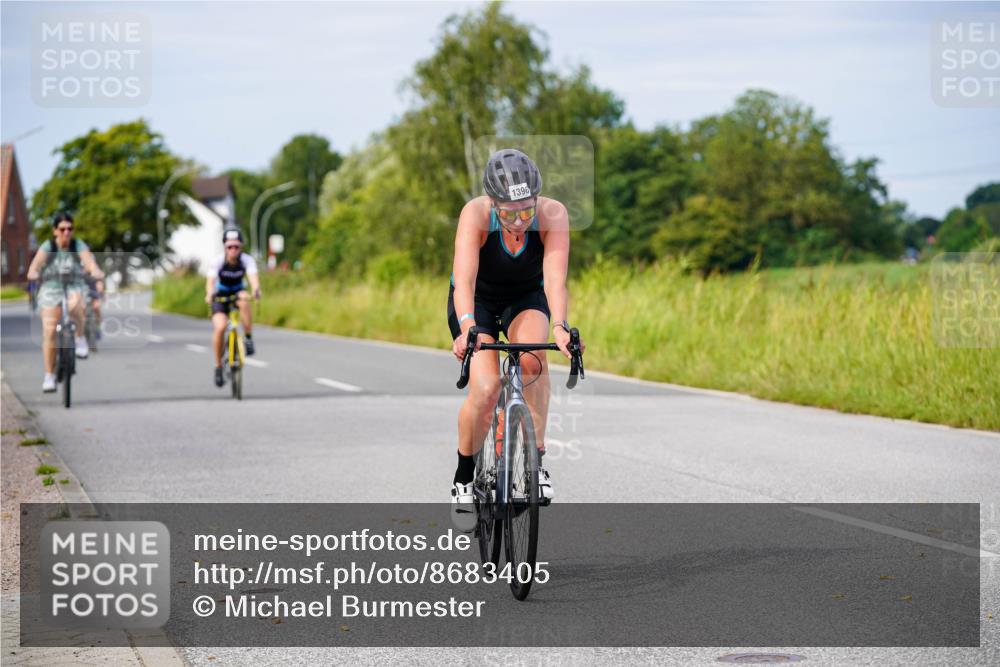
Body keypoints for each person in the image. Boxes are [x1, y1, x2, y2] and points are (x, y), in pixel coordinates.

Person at [448, 148, 584, 524]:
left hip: (525, 296)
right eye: (509, 213)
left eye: (527, 210)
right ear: (493, 203)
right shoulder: (475, 214)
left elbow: (555, 278)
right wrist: (466, 328)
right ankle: (463, 476)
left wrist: (559, 326)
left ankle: (535, 461)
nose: (521, 220)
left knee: (533, 362)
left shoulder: (552, 215)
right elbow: (465, 280)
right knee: (488, 386)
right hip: (477, 300)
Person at [25, 212, 105, 392]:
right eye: (62, 229)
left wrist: (95, 271)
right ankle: (49, 375)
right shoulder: (49, 246)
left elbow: (89, 262)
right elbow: (35, 265)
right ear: (55, 231)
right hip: (51, 288)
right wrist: (33, 273)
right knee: (50, 331)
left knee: (77, 302)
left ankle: (80, 337)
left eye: (70, 229)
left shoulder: (78, 245)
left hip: (74, 285)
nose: (66, 233)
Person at [204, 228, 260, 387]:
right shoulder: (218, 261)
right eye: (230, 247)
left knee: (243, 300)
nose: (233, 250)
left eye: (236, 246)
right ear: (224, 247)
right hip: (220, 295)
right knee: (220, 327)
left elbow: (253, 279)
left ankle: (248, 338)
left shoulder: (247, 260)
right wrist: (209, 294)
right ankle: (218, 366)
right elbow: (210, 282)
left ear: (241, 247)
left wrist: (255, 290)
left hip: (237, 292)